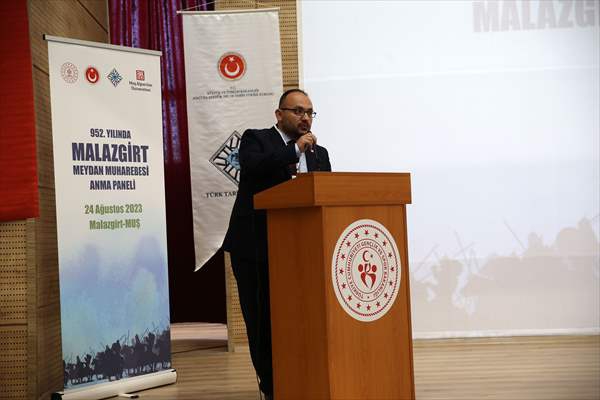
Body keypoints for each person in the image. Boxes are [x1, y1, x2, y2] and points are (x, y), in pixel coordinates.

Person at [222, 89, 331, 399]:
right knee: (262, 322)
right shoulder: (255, 139)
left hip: (300, 252)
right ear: (279, 114)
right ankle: (270, 387)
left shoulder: (319, 154)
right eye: (298, 111)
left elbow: (325, 194)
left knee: (297, 320)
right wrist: (294, 150)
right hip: (255, 248)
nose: (305, 118)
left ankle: (300, 381)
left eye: (309, 112)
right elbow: (255, 168)